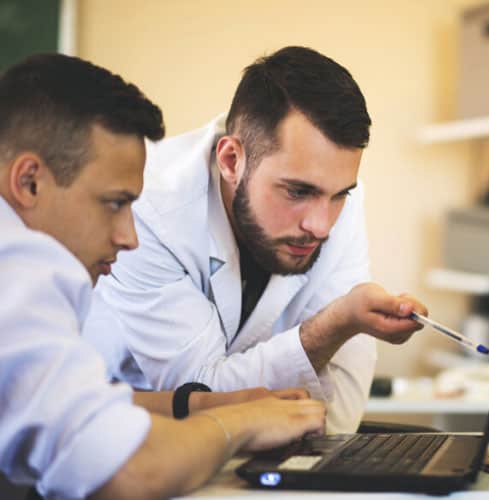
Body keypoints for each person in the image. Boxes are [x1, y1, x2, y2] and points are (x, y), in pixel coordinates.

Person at [0, 53, 327, 499]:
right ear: (30, 181)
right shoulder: (14, 263)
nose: (129, 237)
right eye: (114, 203)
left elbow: (60, 402)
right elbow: (131, 469)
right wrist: (243, 423)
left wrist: (207, 404)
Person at [82, 46, 427, 433]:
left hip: (255, 446)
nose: (321, 226)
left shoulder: (336, 196)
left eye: (339, 194)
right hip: (126, 443)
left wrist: (318, 471)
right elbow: (198, 391)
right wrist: (336, 324)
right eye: (297, 191)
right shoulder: (149, 206)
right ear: (232, 161)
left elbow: (342, 399)